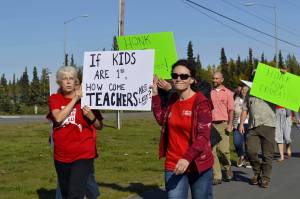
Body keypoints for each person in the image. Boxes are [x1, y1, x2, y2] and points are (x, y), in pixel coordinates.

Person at [152, 59, 213, 199]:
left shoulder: (201, 102)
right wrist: (155, 96)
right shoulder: (172, 98)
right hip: (173, 163)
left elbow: (203, 136)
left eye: (184, 76)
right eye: (175, 76)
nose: (178, 79)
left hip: (198, 164)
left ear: (191, 80)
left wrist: (187, 158)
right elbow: (162, 120)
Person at [48, 66, 103, 198]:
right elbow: (58, 118)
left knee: (75, 194)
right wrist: (74, 100)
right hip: (61, 155)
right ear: (59, 82)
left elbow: (99, 125)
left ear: (75, 81)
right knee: (66, 192)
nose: (68, 81)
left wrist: (91, 116)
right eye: (64, 79)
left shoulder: (87, 100)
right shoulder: (55, 98)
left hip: (83, 154)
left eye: (71, 78)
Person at [239, 88, 276, 188]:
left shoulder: (273, 88)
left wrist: (282, 73)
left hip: (268, 125)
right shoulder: (250, 92)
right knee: (250, 151)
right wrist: (241, 123)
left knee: (267, 154)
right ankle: (257, 172)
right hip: (252, 126)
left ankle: (265, 178)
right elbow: (245, 109)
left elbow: (286, 94)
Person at [210, 71, 234, 185]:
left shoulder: (228, 93)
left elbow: (231, 110)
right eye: (213, 78)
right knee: (212, 151)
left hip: (224, 124)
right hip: (211, 125)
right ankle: (217, 176)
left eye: (216, 79)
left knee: (223, 150)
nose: (214, 80)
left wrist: (230, 124)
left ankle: (227, 167)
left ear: (222, 80)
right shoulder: (210, 92)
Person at [233, 85, 251, 168]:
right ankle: (241, 156)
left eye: (246, 90)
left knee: (249, 144)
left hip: (249, 124)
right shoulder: (237, 99)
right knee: (237, 142)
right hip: (237, 123)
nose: (244, 91)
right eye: (243, 89)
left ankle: (247, 160)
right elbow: (233, 110)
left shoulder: (251, 99)